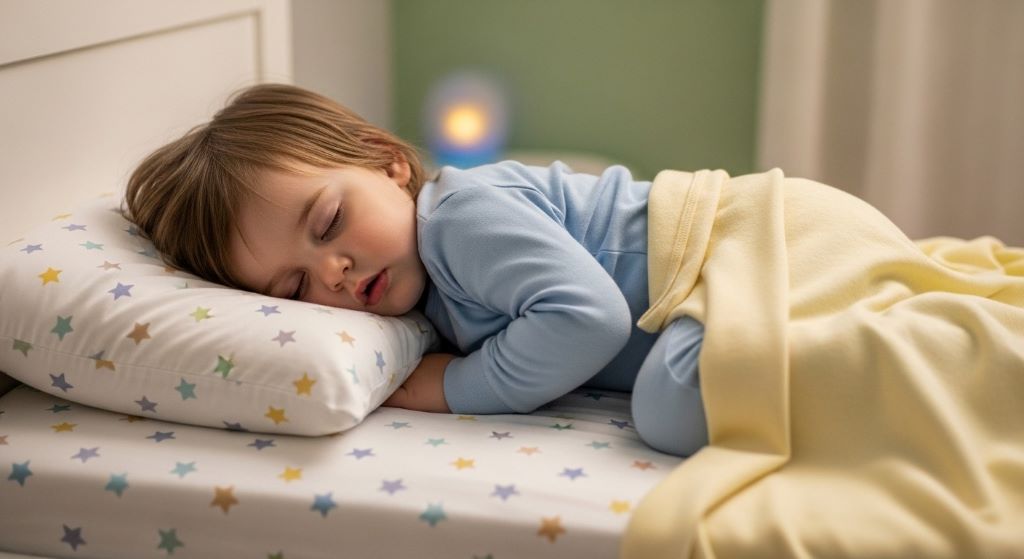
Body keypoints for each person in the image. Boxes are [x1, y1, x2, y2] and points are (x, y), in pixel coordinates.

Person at [123, 83, 708, 457]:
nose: (333, 272)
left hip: (736, 255)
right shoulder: (418, 298)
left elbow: (590, 319)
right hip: (704, 300)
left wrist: (457, 387)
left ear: (389, 163)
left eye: (328, 222)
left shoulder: (456, 219)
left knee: (671, 409)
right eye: (294, 286)